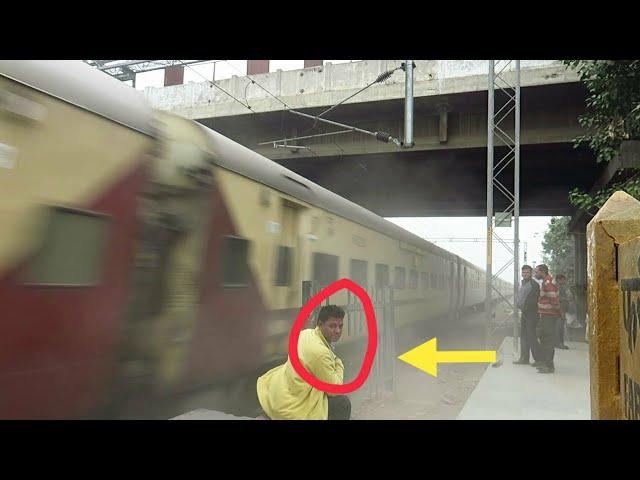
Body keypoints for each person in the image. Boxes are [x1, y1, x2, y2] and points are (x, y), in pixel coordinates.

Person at [256, 305, 351, 420]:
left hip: (279, 394)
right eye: (332, 326)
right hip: (294, 406)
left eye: (340, 326)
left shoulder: (305, 333)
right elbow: (335, 390)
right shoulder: (320, 353)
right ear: (320, 324)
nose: (337, 331)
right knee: (342, 403)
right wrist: (338, 362)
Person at [534, 264, 561, 374]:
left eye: (537, 272)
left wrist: (554, 309)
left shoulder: (547, 282)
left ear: (542, 272)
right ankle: (546, 363)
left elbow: (553, 297)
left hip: (548, 316)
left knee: (547, 340)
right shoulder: (547, 281)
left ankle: (549, 366)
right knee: (544, 338)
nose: (536, 274)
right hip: (547, 315)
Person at [513, 265, 541, 365]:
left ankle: (539, 359)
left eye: (527, 272)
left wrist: (524, 306)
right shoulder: (523, 283)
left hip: (532, 314)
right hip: (525, 313)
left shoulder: (534, 285)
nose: (525, 274)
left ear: (531, 273)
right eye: (523, 272)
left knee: (531, 336)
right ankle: (524, 358)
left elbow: (534, 301)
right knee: (524, 336)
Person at [555, 274, 570, 349]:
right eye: (563, 279)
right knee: (560, 328)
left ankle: (558, 343)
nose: (564, 281)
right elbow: (557, 299)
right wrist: (566, 299)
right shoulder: (559, 288)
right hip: (560, 310)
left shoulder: (561, 288)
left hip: (561, 310)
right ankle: (559, 343)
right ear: (559, 280)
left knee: (559, 327)